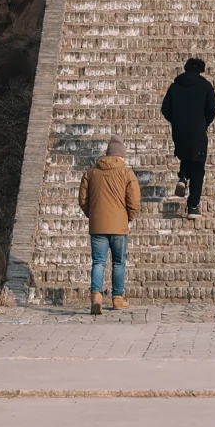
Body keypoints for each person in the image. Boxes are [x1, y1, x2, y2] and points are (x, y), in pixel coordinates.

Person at [78, 135, 141, 315]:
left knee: (98, 262)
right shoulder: (127, 173)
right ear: (121, 155)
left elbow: (83, 199)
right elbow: (134, 200)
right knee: (118, 262)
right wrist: (129, 216)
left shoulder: (91, 172)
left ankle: (96, 296)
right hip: (119, 226)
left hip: (98, 225)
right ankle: (117, 299)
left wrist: (93, 215)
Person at [161, 57, 215, 219]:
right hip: (198, 130)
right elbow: (212, 107)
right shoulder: (205, 86)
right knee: (198, 167)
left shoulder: (175, 86)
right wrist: (203, 122)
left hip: (179, 131)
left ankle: (183, 176)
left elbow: (165, 109)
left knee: (186, 154)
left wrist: (176, 121)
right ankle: (193, 206)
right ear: (201, 70)